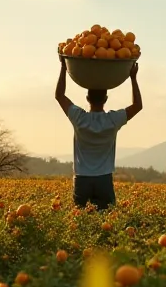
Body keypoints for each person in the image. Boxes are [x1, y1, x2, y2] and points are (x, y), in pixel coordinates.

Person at [55, 57, 142, 210]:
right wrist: (133, 78)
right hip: (103, 179)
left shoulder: (79, 118)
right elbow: (137, 105)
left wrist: (63, 66)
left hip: (82, 178)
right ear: (106, 99)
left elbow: (59, 95)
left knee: (80, 221)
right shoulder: (113, 120)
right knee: (107, 220)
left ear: (87, 98)